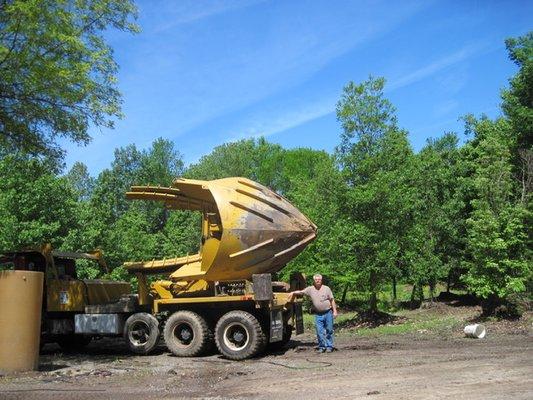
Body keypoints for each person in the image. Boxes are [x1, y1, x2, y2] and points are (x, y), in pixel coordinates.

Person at [289, 274, 337, 353]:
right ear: (314, 281)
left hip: (328, 312)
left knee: (329, 330)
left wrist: (335, 311)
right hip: (318, 314)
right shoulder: (310, 289)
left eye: (319, 279)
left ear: (321, 280)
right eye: (316, 279)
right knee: (319, 331)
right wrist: (293, 293)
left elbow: (332, 300)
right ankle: (322, 346)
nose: (318, 281)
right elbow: (301, 292)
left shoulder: (326, 288)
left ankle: (329, 346)